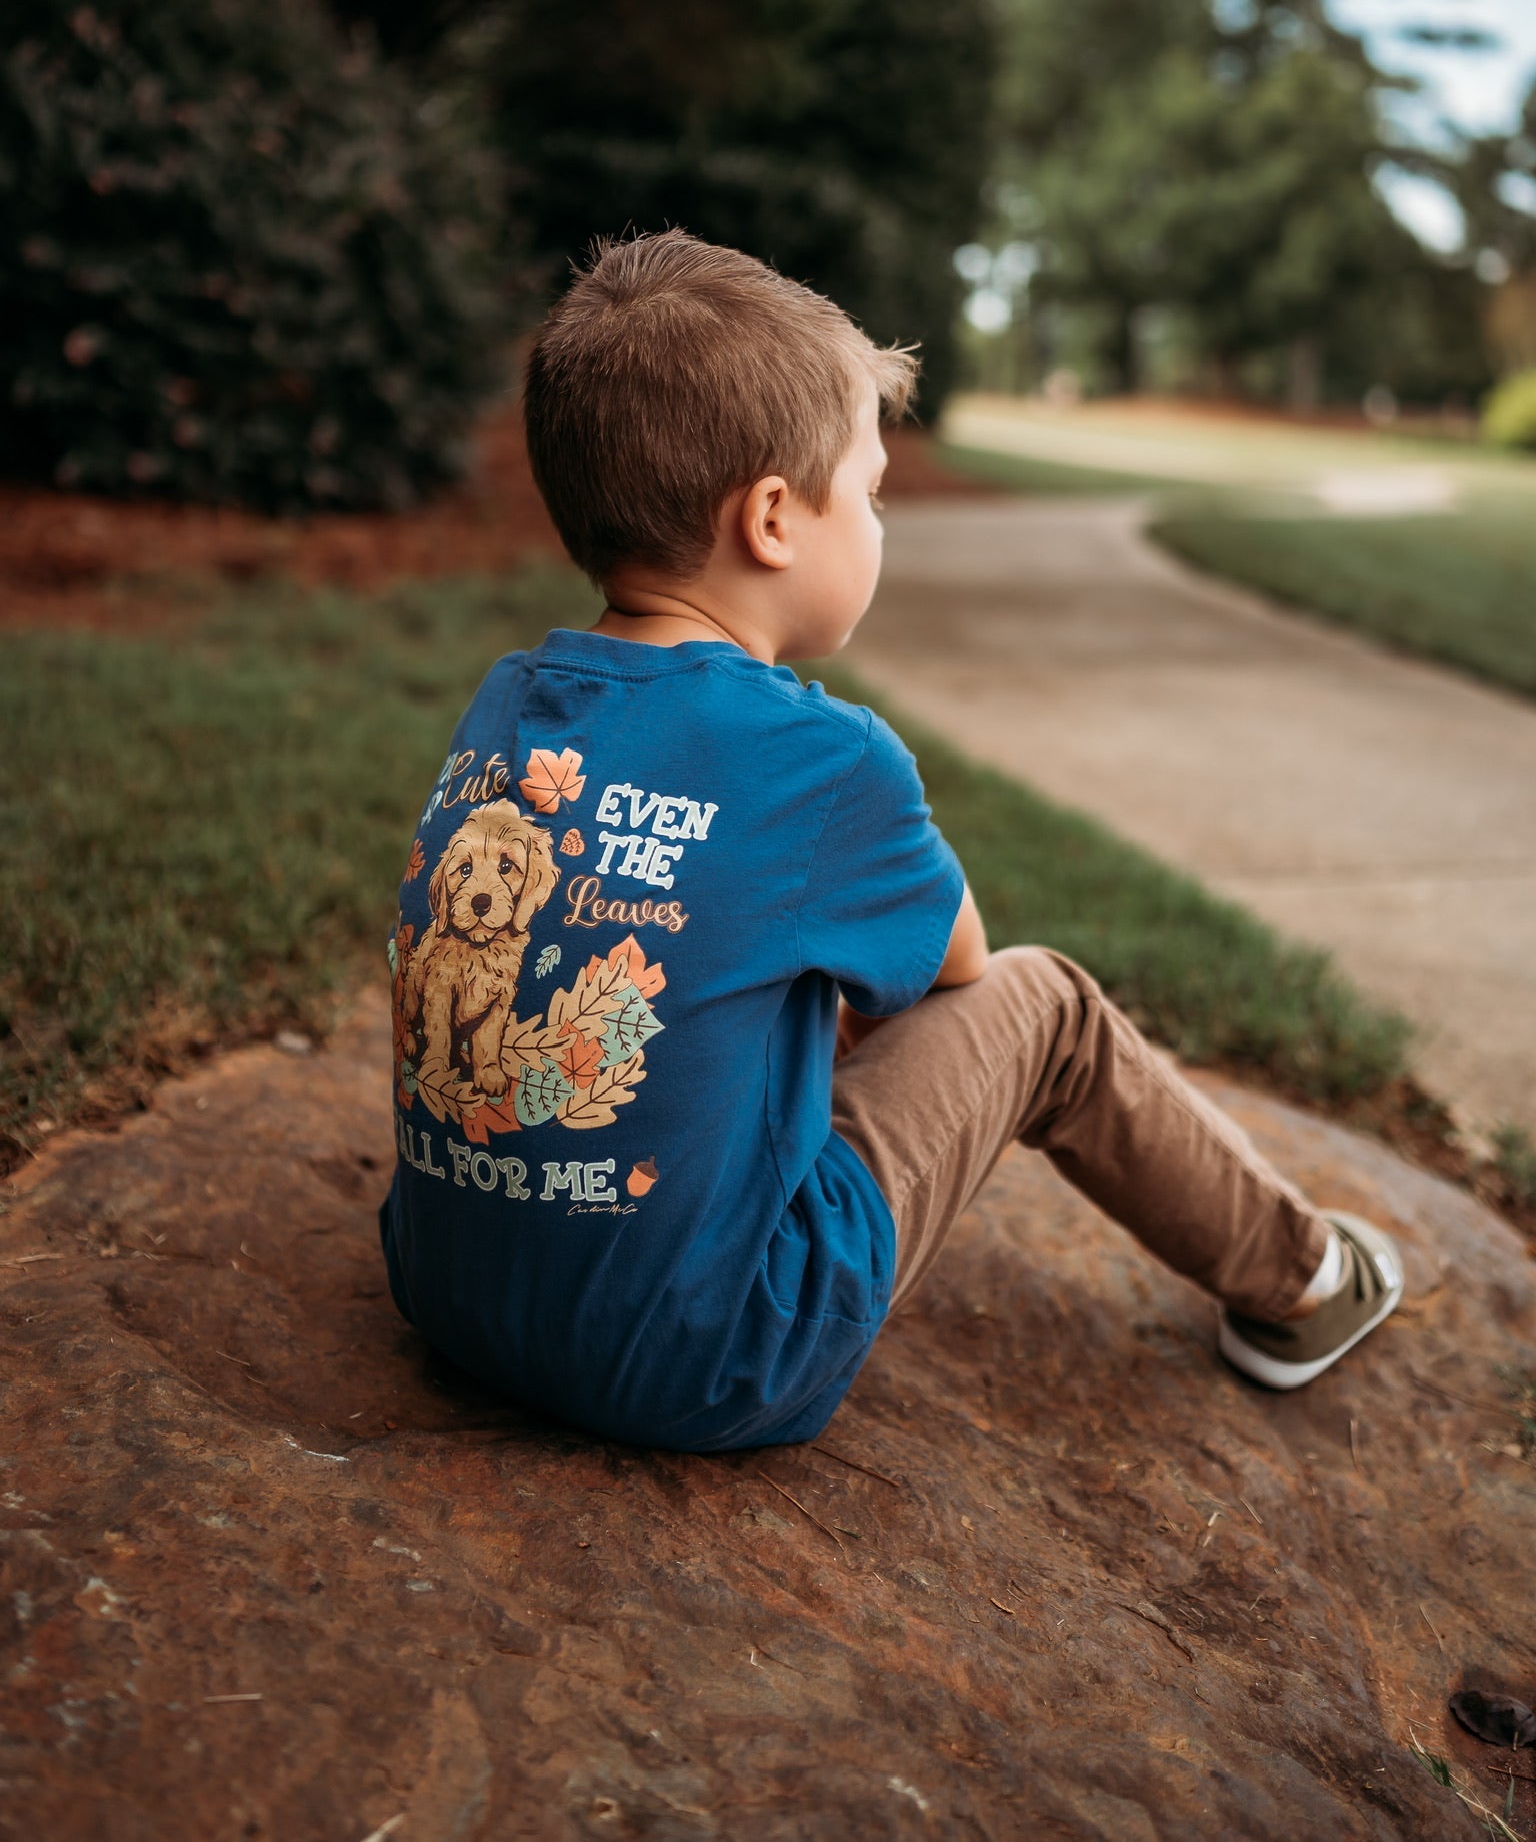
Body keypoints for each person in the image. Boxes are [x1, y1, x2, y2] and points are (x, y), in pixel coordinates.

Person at [379, 231, 1403, 1450]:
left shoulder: (508, 698)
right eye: (866, 493)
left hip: (450, 1292)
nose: (877, 520)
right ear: (771, 519)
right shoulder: (829, 758)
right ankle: (1305, 1281)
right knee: (1048, 1004)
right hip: (707, 1360)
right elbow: (956, 968)